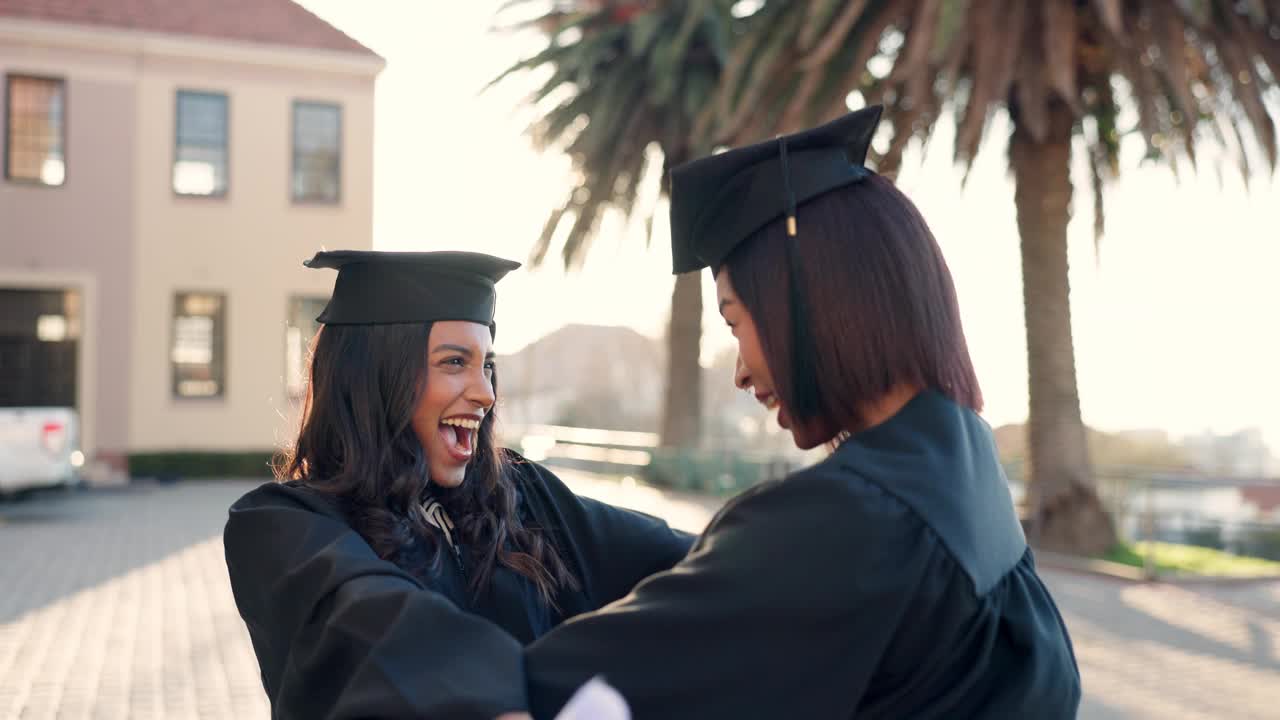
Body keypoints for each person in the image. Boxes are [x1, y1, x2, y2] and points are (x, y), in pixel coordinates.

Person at [523, 106, 1082, 719]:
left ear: (806, 305)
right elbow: (739, 568)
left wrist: (421, 634)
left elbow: (566, 681)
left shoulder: (857, 519)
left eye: (735, 323)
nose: (738, 371)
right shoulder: (962, 468)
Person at [223, 250, 692, 719]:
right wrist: (493, 704)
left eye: (487, 365)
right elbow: (375, 621)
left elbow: (682, 562)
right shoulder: (280, 527)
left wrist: (759, 547)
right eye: (453, 362)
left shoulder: (519, 497)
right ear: (376, 377)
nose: (486, 393)